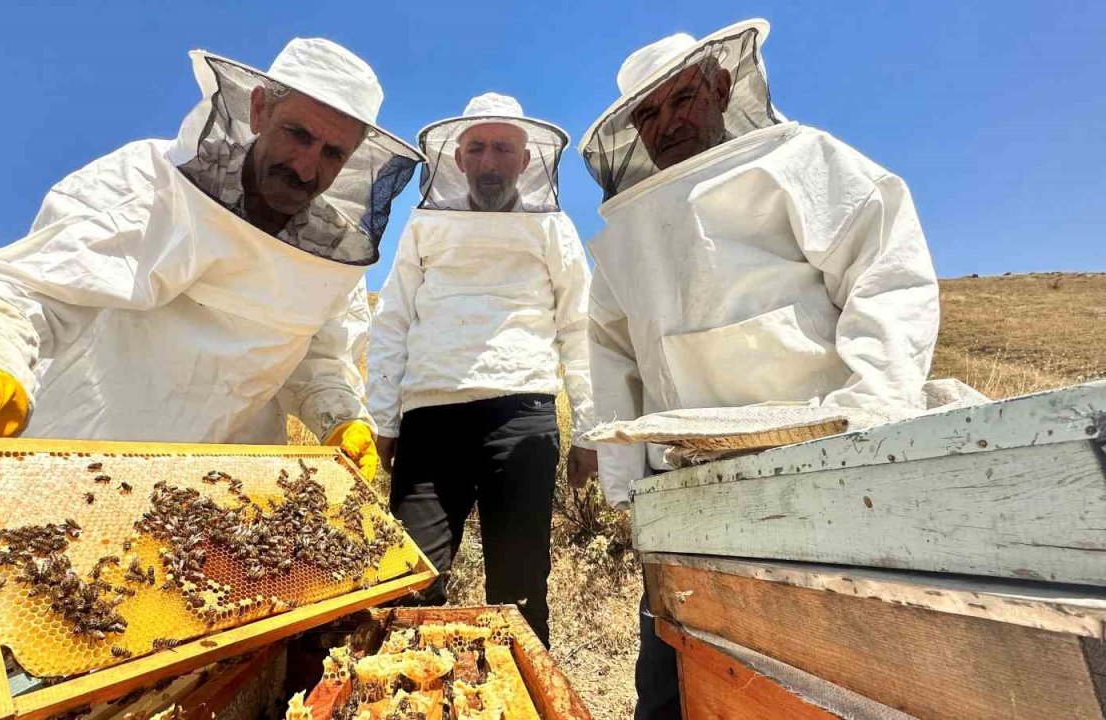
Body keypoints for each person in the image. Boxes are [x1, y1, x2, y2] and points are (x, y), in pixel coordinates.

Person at [0, 38, 424, 504]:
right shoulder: (147, 182)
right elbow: (23, 291)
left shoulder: (335, 253)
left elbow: (318, 360)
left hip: (226, 492)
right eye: (298, 134)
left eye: (331, 153)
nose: (306, 165)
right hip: (76, 467)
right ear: (261, 108)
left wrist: (339, 418)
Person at [578, 19, 939, 719]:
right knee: (671, 679)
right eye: (648, 115)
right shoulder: (625, 235)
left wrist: (873, 418)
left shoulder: (805, 161)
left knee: (817, 680)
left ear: (720, 85)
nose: (667, 122)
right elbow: (609, 349)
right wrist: (628, 488)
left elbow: (885, 272)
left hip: (823, 471)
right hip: (688, 492)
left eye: (680, 98)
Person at [367, 93, 597, 646]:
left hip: (522, 415)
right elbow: (393, 317)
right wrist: (384, 419)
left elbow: (580, 325)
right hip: (430, 419)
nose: (490, 160)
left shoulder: (553, 226)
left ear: (524, 160)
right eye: (478, 148)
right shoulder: (424, 223)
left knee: (519, 594)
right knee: (407, 584)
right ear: (459, 158)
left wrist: (589, 429)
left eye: (503, 148)